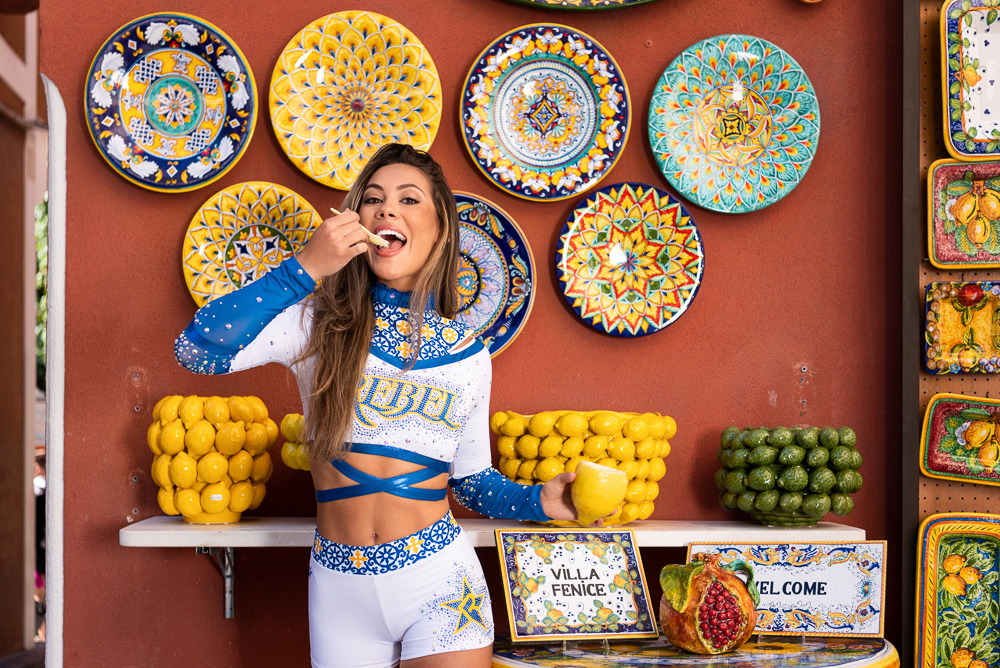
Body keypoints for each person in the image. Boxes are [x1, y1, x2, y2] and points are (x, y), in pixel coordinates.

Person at [175, 143, 586, 668]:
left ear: (440, 231)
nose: (387, 210)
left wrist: (539, 505)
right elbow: (196, 349)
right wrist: (303, 268)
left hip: (441, 581)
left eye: (408, 199)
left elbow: (469, 479)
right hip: (338, 588)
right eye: (373, 199)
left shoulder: (470, 353)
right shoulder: (315, 324)